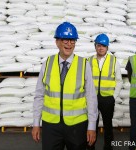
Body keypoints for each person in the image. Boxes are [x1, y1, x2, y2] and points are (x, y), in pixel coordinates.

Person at [32, 22, 98, 150]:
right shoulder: (47, 63)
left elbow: (91, 97)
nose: (69, 44)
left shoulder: (84, 64)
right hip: (51, 126)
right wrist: (35, 123)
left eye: (72, 40)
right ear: (57, 42)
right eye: (65, 40)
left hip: (77, 126)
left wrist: (91, 126)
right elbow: (39, 95)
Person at [87, 33, 123, 150]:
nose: (101, 48)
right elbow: (85, 79)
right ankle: (90, 147)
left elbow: (119, 81)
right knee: (92, 125)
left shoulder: (113, 61)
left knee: (108, 126)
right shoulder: (89, 60)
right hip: (93, 98)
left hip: (107, 99)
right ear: (95, 46)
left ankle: (108, 148)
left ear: (107, 47)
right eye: (99, 45)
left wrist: (113, 97)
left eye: (103, 46)